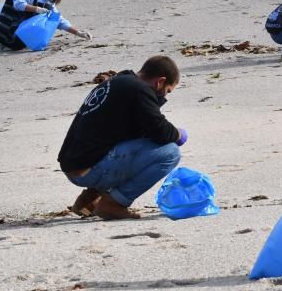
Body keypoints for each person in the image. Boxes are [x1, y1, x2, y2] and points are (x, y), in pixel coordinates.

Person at [57, 55, 186, 220]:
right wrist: (178, 134)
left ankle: (88, 200)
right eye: (167, 91)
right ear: (160, 81)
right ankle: (113, 203)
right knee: (170, 153)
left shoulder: (119, 81)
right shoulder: (140, 90)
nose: (165, 96)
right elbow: (160, 131)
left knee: (137, 142)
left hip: (75, 165)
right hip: (88, 170)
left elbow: (139, 131)